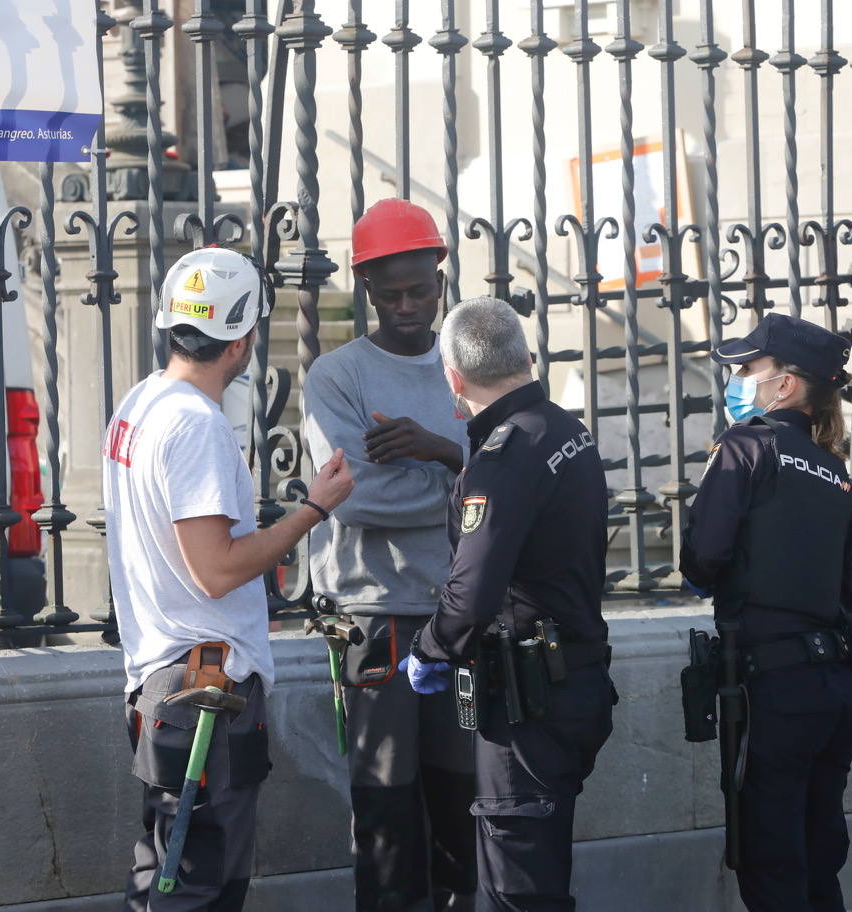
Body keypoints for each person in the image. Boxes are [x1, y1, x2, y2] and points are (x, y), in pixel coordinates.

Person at [103, 245, 354, 912]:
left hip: (165, 680)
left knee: (164, 880)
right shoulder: (193, 425)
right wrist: (313, 510)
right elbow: (216, 570)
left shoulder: (142, 401)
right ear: (241, 342)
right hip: (202, 692)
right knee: (200, 889)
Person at [402, 296, 616, 912]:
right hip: (574, 679)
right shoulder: (566, 432)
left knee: (518, 891)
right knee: (540, 874)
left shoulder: (502, 459)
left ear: (453, 379)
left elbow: (470, 596)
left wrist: (430, 647)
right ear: (526, 356)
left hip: (530, 703)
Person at [302, 198, 477, 912]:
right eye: (390, 292)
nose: (407, 306)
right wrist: (465, 480)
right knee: (387, 806)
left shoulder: (468, 367)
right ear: (367, 286)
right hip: (378, 619)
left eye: (420, 290)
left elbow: (519, 470)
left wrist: (437, 451)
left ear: (441, 275)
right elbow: (357, 497)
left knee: (465, 800)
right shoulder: (337, 377)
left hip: (460, 612)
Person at [679, 313, 852, 912]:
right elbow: (849, 582)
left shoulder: (747, 446)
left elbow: (701, 559)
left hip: (775, 688)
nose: (736, 380)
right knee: (818, 857)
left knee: (771, 859)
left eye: (746, 369)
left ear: (784, 385)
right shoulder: (835, 471)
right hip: (835, 687)